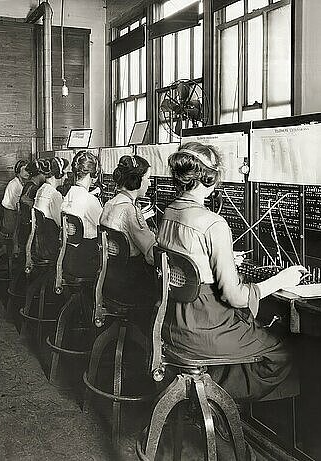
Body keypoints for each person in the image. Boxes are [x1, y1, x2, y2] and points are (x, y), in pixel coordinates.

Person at [157, 141, 305, 402]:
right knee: (281, 353)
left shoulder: (168, 213)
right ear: (210, 177)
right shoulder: (213, 223)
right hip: (206, 329)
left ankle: (207, 402)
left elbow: (188, 266)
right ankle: (221, 407)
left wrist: (221, 261)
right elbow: (234, 297)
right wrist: (280, 280)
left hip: (172, 326)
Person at [99, 154, 157, 303]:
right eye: (147, 178)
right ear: (137, 180)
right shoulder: (130, 210)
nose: (149, 183)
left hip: (109, 279)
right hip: (131, 283)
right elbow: (151, 255)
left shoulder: (109, 205)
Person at [61, 150, 103, 278]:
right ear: (93, 174)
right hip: (85, 261)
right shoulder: (90, 200)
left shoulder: (69, 193)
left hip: (67, 256)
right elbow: (104, 225)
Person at [32, 157, 69, 260]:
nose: (66, 176)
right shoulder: (54, 194)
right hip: (51, 246)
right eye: (64, 172)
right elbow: (62, 224)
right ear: (58, 174)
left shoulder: (41, 189)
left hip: (40, 244)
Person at [1, 159, 29, 234]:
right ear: (18, 171)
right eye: (25, 170)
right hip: (11, 219)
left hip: (13, 215)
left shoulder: (20, 183)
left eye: (28, 170)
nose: (28, 172)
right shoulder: (14, 184)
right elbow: (18, 206)